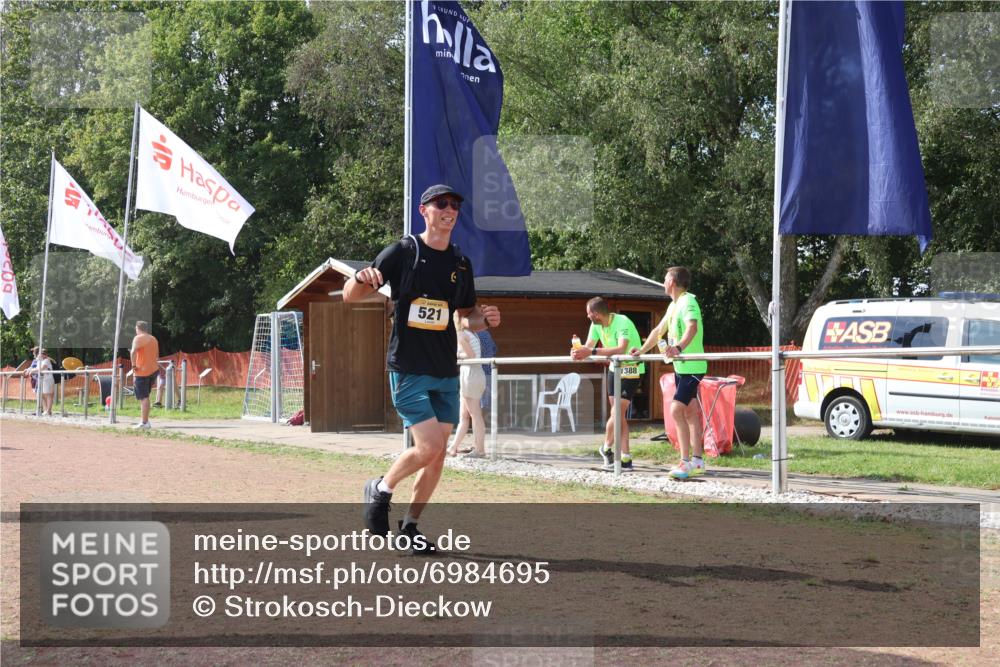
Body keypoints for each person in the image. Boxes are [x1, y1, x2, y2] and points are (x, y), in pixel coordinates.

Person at [345, 184, 501, 552]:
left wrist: (486, 317)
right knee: (430, 446)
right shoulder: (404, 252)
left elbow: (466, 317)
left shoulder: (460, 262)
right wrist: (358, 278)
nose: (450, 210)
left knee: (438, 452)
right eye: (441, 204)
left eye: (455, 205)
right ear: (424, 211)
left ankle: (410, 528)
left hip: (446, 369)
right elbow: (352, 297)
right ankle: (380, 489)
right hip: (409, 367)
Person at [630, 266, 707, 479]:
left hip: (693, 366)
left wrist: (679, 348)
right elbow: (658, 332)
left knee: (675, 411)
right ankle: (698, 461)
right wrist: (641, 351)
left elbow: (692, 327)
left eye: (665, 279)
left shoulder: (688, 301)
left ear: (672, 281)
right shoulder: (673, 305)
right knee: (690, 412)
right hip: (681, 367)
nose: (663, 282)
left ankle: (685, 462)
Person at [570, 297, 644, 471]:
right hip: (614, 369)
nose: (587, 317)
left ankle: (606, 448)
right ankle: (626, 458)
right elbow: (588, 346)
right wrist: (577, 351)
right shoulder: (595, 325)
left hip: (631, 369)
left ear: (596, 314)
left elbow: (621, 349)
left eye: (588, 314)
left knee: (617, 411)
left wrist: (592, 351)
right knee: (619, 414)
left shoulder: (622, 321)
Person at [448, 311, 487, 458]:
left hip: (471, 374)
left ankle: (480, 450)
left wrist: (455, 356)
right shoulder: (470, 334)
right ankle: (453, 447)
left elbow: (470, 355)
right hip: (469, 373)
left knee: (474, 414)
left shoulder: (461, 334)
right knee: (464, 414)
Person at [130, 321, 160, 429]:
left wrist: (133, 366)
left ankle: (144, 422)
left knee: (144, 397)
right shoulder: (153, 339)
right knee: (146, 396)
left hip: (142, 372)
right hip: (153, 370)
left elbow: (133, 352)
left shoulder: (138, 338)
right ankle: (145, 421)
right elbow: (156, 355)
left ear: (138, 328)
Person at [24, 347, 54, 416]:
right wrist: (29, 370)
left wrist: (32, 371)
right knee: (42, 395)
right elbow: (36, 367)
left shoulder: (46, 360)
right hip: (42, 379)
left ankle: (49, 411)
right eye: (41, 353)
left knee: (48, 395)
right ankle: (45, 410)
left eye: (43, 354)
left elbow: (41, 368)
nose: (42, 355)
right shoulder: (40, 361)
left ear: (46, 355)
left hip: (48, 379)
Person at [476, 328, 497, 413]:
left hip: (475, 371)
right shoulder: (486, 333)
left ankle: (476, 424)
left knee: (473, 402)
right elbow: (494, 349)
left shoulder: (470, 334)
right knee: (484, 403)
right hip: (488, 371)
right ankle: (481, 424)